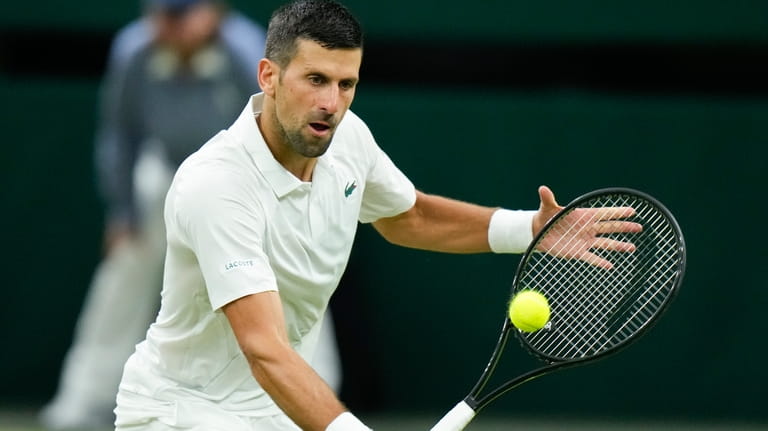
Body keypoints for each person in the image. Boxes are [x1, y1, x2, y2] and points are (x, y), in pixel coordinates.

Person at [113, 1, 640, 430]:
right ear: (269, 76)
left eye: (347, 84)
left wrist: (527, 228)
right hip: (181, 412)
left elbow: (405, 216)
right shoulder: (217, 184)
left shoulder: (348, 139)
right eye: (315, 79)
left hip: (270, 411)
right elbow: (265, 348)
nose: (332, 103)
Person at [41, 0, 334, 429]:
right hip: (166, 174)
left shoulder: (245, 53)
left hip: (251, 177)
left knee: (288, 276)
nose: (170, 24)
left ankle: (315, 403)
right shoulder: (134, 52)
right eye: (162, 13)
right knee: (125, 270)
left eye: (183, 12)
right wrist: (123, 211)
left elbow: (282, 131)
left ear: (214, 12)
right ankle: (82, 403)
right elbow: (120, 134)